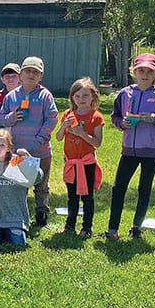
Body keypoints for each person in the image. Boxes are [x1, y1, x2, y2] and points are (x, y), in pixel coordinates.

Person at [104, 53, 155, 239]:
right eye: (141, 70)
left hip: (151, 151)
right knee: (119, 188)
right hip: (128, 149)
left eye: (149, 71)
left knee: (144, 189)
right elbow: (115, 116)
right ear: (134, 72)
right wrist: (122, 124)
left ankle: (136, 227)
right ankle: (112, 230)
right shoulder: (125, 93)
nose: (145, 74)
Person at [0, 56, 59, 226]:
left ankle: (41, 216)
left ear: (40, 76)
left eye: (35, 72)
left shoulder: (45, 96)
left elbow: (52, 118)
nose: (31, 75)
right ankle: (19, 217)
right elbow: (1, 118)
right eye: (28, 71)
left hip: (41, 150)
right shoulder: (11, 96)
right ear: (21, 75)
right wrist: (12, 117)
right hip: (17, 150)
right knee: (19, 184)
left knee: (42, 186)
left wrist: (39, 139)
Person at [55, 77, 104, 238]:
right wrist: (63, 126)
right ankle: (70, 225)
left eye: (85, 96)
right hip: (71, 163)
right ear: (72, 98)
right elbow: (58, 137)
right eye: (77, 96)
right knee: (72, 197)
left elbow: (97, 143)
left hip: (86, 162)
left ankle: (87, 227)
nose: (81, 100)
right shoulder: (68, 115)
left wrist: (82, 134)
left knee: (87, 197)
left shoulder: (95, 117)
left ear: (93, 97)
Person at [0, 129, 41, 247]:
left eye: (2, 145)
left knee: (18, 244)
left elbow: (37, 178)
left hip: (14, 216)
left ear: (8, 148)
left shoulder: (15, 162)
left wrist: (28, 159)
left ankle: (11, 231)